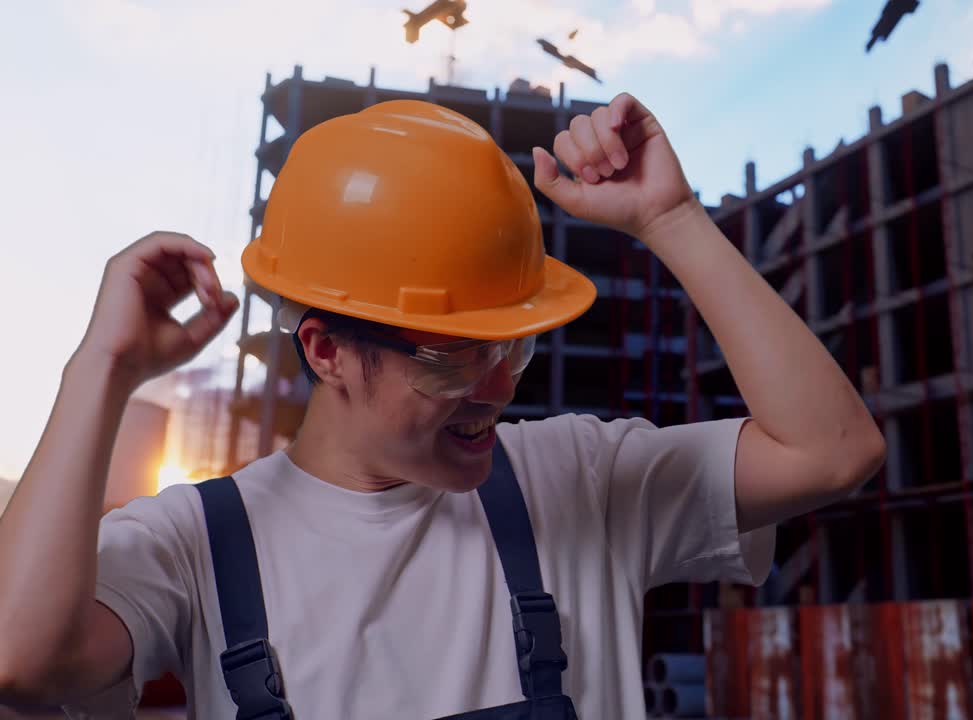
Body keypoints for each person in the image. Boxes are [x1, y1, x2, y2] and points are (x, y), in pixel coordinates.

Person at [0, 92, 885, 718]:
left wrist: (674, 218)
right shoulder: (195, 542)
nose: (502, 389)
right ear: (327, 350)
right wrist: (102, 371)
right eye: (453, 360)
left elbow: (833, 450)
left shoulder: (581, 480)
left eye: (515, 345)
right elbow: (21, 661)